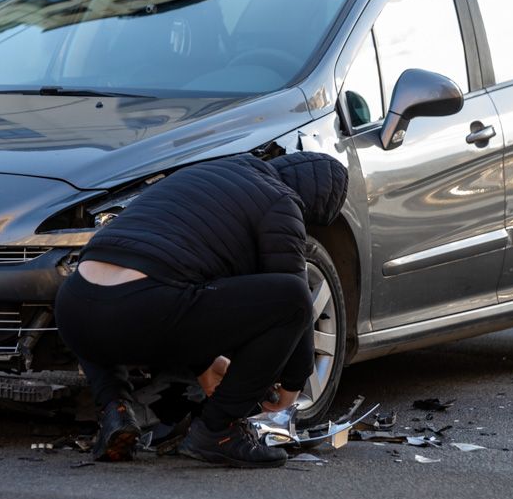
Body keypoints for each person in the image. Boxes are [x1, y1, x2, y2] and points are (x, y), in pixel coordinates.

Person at [53, 151, 349, 468]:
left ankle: (116, 410)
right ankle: (219, 431)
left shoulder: (209, 175)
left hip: (73, 306)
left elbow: (190, 268)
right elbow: (296, 305)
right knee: (290, 295)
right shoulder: (281, 202)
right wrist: (293, 383)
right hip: (143, 309)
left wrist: (205, 363)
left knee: (109, 308)